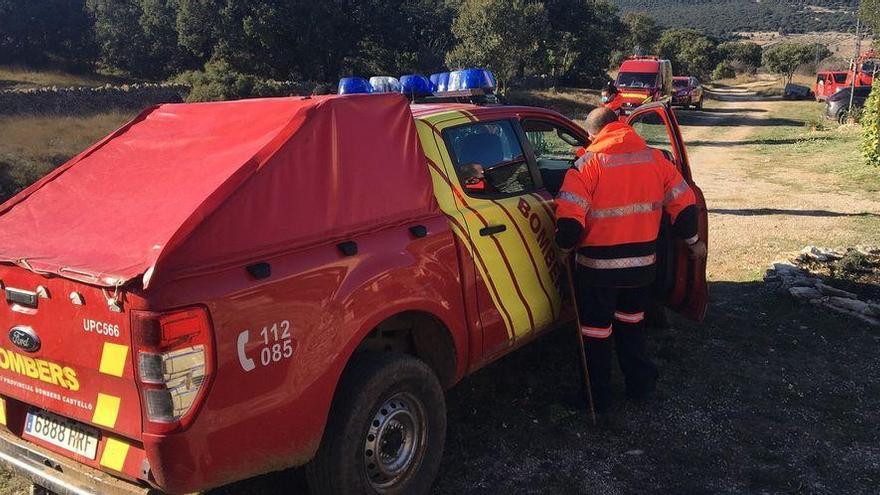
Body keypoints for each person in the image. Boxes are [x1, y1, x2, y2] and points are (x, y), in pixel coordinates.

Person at [555, 107, 706, 412]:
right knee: (631, 325)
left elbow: (570, 222)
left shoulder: (586, 165)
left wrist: (563, 250)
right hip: (641, 269)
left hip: (597, 271)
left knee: (596, 334)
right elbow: (684, 206)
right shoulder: (655, 160)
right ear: (621, 127)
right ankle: (640, 386)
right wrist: (693, 243)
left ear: (593, 134)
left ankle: (597, 398)